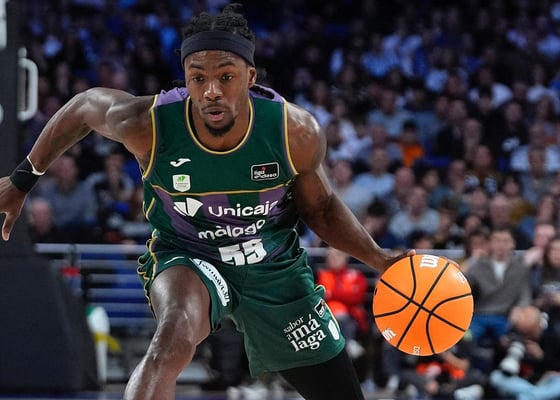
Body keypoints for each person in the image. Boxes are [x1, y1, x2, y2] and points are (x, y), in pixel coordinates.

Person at [0, 5, 412, 400]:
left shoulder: (293, 131)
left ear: (250, 77)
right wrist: (22, 180)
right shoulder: (149, 124)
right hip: (188, 255)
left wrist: (378, 259)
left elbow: (319, 209)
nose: (211, 91)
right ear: (185, 79)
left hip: (271, 264)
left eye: (226, 76)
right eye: (197, 79)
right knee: (171, 339)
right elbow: (85, 106)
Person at [489, 305, 560, 400]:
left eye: (529, 334)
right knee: (495, 377)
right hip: (518, 381)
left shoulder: (552, 336)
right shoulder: (513, 333)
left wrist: (541, 356)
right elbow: (499, 366)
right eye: (523, 334)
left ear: (538, 327)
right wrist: (502, 348)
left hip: (544, 381)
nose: (526, 337)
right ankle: (533, 395)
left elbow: (556, 367)